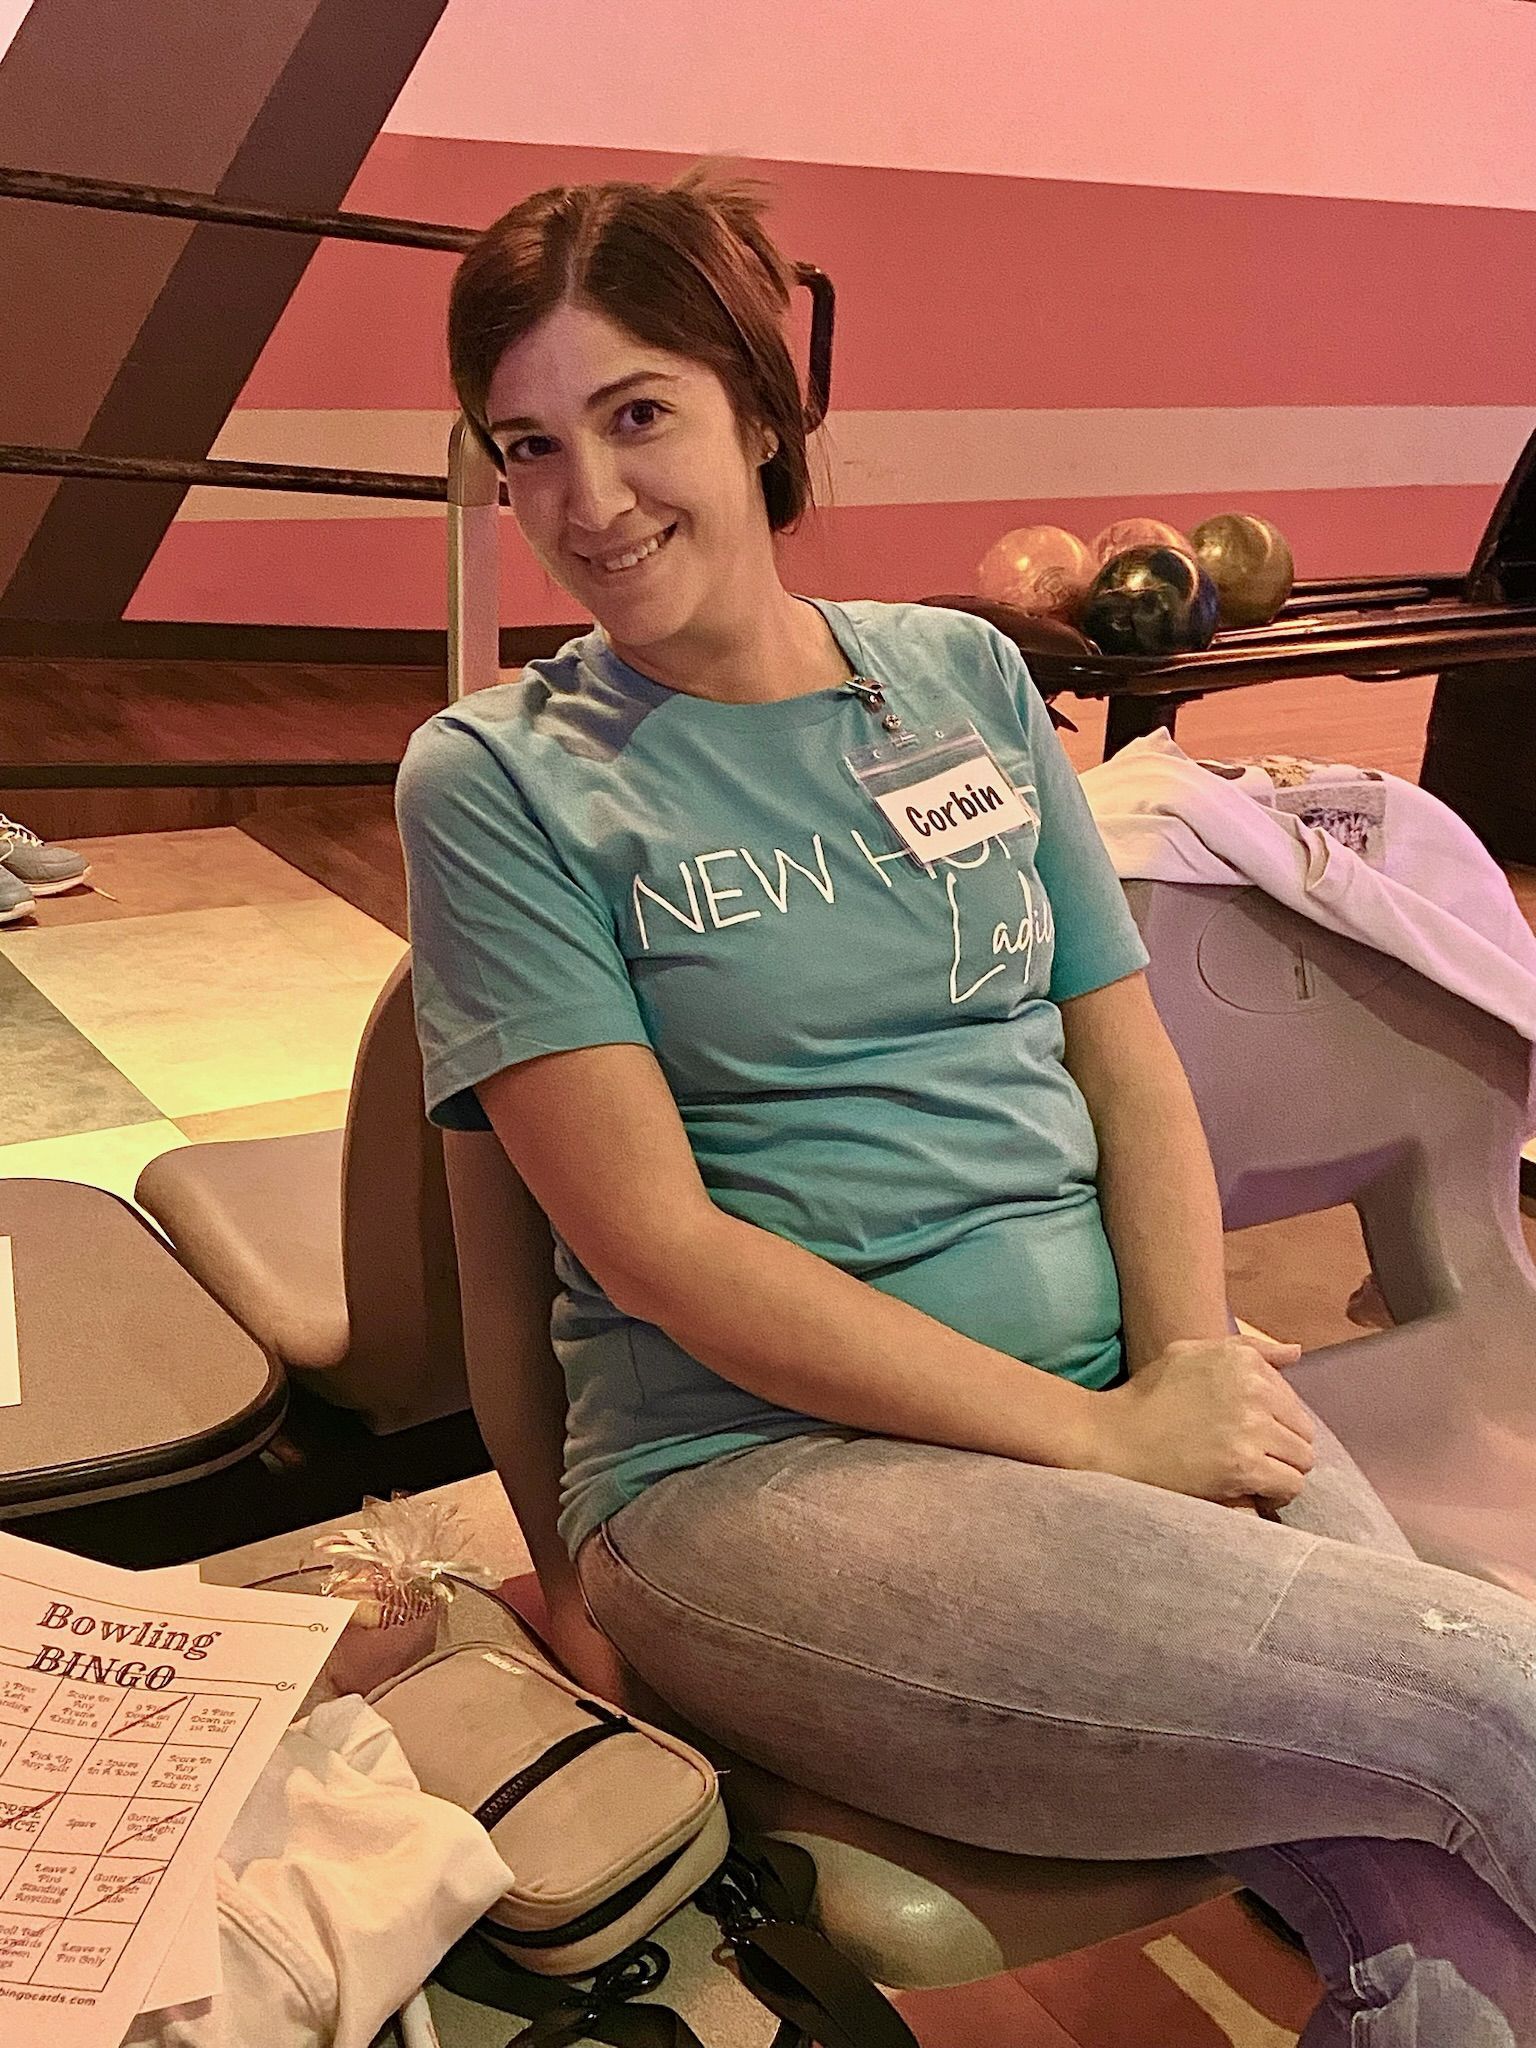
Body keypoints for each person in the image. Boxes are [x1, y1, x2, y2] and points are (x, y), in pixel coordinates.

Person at [396, 165, 1536, 2043]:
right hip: (760, 1480)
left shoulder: (966, 677)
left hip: (1123, 1390)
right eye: (527, 446)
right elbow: (654, 1251)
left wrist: (1179, 1368)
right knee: (1493, 1708)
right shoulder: (500, 782)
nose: (584, 502)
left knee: (1446, 1900)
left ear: (760, 410)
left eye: (637, 414)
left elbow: (1123, 1058)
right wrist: (1101, 1447)